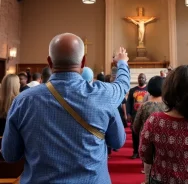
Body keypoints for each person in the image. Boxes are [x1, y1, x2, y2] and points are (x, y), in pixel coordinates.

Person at [2, 33, 130, 184]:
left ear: (49, 62)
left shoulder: (23, 101)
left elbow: (10, 155)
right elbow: (117, 141)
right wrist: (122, 63)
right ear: (83, 62)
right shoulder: (103, 95)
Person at [133, 76, 165, 184]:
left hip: (148, 145)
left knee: (148, 174)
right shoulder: (169, 106)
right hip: (165, 144)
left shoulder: (144, 106)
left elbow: (135, 127)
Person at [127, 73, 148, 159]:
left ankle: (144, 153)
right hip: (135, 115)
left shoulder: (148, 90)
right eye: (139, 78)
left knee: (144, 135)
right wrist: (128, 114)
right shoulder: (133, 90)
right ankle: (135, 152)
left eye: (142, 78)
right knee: (135, 134)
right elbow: (128, 103)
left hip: (145, 115)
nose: (141, 79)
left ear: (145, 79)